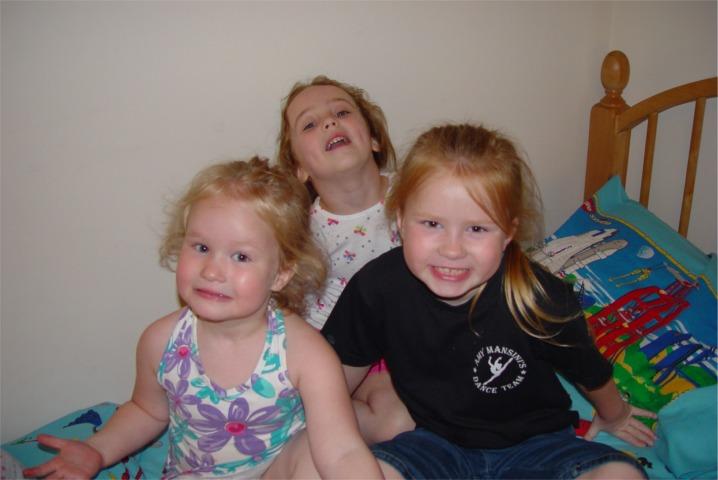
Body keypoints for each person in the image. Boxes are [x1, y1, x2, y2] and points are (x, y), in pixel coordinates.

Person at [321, 124, 657, 479]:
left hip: (538, 445)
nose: (452, 249)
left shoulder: (539, 298)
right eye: (432, 224)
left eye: (477, 229)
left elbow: (588, 370)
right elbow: (335, 375)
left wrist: (615, 414)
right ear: (401, 219)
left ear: (508, 233)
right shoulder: (378, 288)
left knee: (623, 475)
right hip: (433, 443)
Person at [23, 157, 383, 479]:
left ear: (280, 274)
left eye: (241, 257)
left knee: (314, 455)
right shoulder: (160, 342)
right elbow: (147, 411)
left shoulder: (306, 353)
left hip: (278, 470)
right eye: (202, 248)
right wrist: (97, 450)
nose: (212, 271)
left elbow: (342, 451)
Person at [277, 76, 413, 443]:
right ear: (299, 169)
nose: (329, 122)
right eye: (309, 124)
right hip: (344, 358)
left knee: (418, 410)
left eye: (341, 112)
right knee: (396, 422)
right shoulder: (301, 234)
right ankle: (299, 423)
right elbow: (288, 310)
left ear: (373, 139)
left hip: (413, 342)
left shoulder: (418, 193)